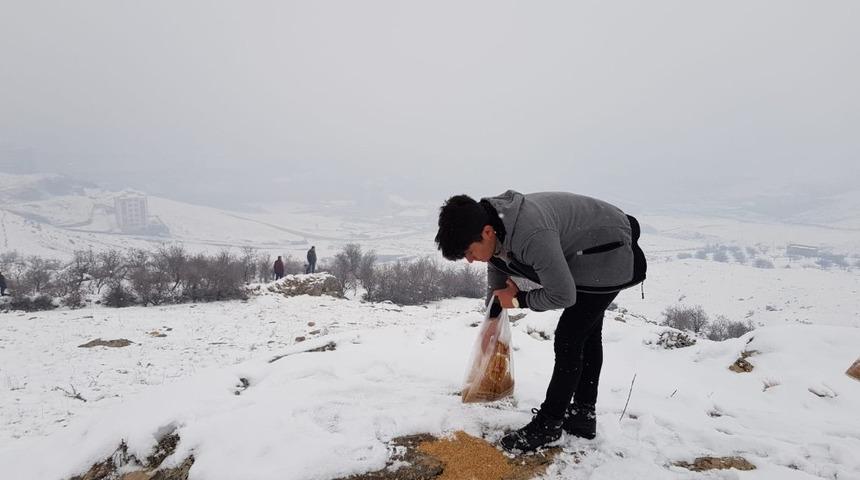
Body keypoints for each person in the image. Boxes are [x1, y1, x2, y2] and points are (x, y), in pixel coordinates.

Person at [435, 190, 646, 453]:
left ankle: (549, 425)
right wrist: (493, 316)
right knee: (586, 333)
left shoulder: (530, 234)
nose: (469, 260)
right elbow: (497, 264)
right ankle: (582, 415)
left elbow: (563, 295)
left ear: (487, 232)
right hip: (588, 246)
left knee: (570, 337)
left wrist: (519, 300)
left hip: (609, 250)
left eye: (469, 251)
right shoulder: (494, 223)